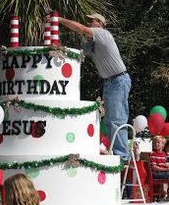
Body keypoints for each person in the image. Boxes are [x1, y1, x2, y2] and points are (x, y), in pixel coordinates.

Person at [46, 12, 131, 161]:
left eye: (91, 21)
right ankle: (115, 153)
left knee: (117, 119)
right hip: (110, 82)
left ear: (100, 23)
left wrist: (58, 20)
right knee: (110, 120)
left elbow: (82, 29)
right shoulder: (92, 43)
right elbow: (78, 55)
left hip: (118, 80)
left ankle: (122, 156)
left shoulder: (103, 34)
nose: (89, 23)